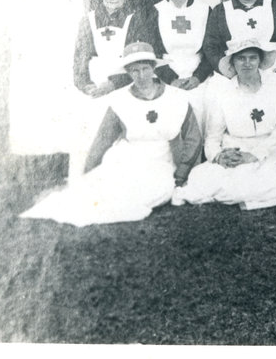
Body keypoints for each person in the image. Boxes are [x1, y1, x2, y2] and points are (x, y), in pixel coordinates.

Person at [22, 42, 202, 226]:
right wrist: (88, 173)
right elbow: (102, 141)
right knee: (99, 191)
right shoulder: (120, 99)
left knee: (152, 193)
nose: (141, 76)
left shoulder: (176, 97)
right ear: (128, 72)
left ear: (154, 67)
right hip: (125, 160)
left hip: (160, 163)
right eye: (134, 71)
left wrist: (181, 175)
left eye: (145, 69)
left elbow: (194, 139)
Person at [172, 39, 276, 210]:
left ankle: (242, 198)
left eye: (252, 58)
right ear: (232, 63)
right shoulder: (223, 91)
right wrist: (219, 156)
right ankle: (251, 197)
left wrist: (255, 155)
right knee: (202, 178)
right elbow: (212, 137)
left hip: (269, 154)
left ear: (260, 61)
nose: (247, 63)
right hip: (235, 155)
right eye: (241, 58)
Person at [148, 0, 214, 126]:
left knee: (202, 110)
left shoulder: (204, 9)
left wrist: (198, 78)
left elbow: (211, 49)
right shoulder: (156, 11)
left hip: (198, 74)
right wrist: (171, 79)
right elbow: (153, 51)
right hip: (165, 72)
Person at [74, 0, 153, 97]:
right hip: (95, 87)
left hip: (125, 86)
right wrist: (86, 85)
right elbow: (80, 59)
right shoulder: (88, 20)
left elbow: (139, 61)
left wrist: (113, 84)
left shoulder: (135, 20)